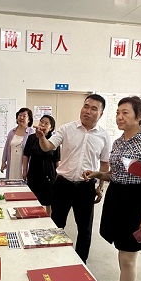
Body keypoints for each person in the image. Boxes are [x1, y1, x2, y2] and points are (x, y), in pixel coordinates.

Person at [83, 96, 141, 281]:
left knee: (128, 257)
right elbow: (116, 174)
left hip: (137, 201)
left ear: (139, 115)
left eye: (125, 112)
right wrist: (98, 174)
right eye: (118, 112)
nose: (119, 117)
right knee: (122, 251)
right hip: (117, 198)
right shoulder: (118, 142)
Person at [35, 94, 111, 263]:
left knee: (84, 229)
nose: (88, 111)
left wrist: (100, 187)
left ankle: (80, 263)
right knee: (56, 225)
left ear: (101, 114)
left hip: (86, 187)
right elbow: (48, 147)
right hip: (63, 185)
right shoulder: (66, 129)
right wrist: (42, 137)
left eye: (93, 109)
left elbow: (104, 165)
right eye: (86, 106)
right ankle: (52, 259)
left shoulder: (104, 136)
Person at [22, 115, 61, 214]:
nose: (43, 124)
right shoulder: (31, 138)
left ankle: (48, 218)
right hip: (34, 171)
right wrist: (24, 170)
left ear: (51, 128)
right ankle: (32, 216)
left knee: (48, 199)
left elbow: (57, 159)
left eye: (46, 123)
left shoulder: (54, 139)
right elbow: (26, 155)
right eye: (41, 122)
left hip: (48, 173)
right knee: (33, 197)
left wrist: (59, 176)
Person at [1, 107, 35, 179]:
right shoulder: (12, 132)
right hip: (12, 162)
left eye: (24, 116)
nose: (21, 118)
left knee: (23, 182)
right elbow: (6, 148)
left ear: (29, 120)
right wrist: (3, 162)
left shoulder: (32, 133)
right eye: (20, 115)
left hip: (24, 165)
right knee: (11, 180)